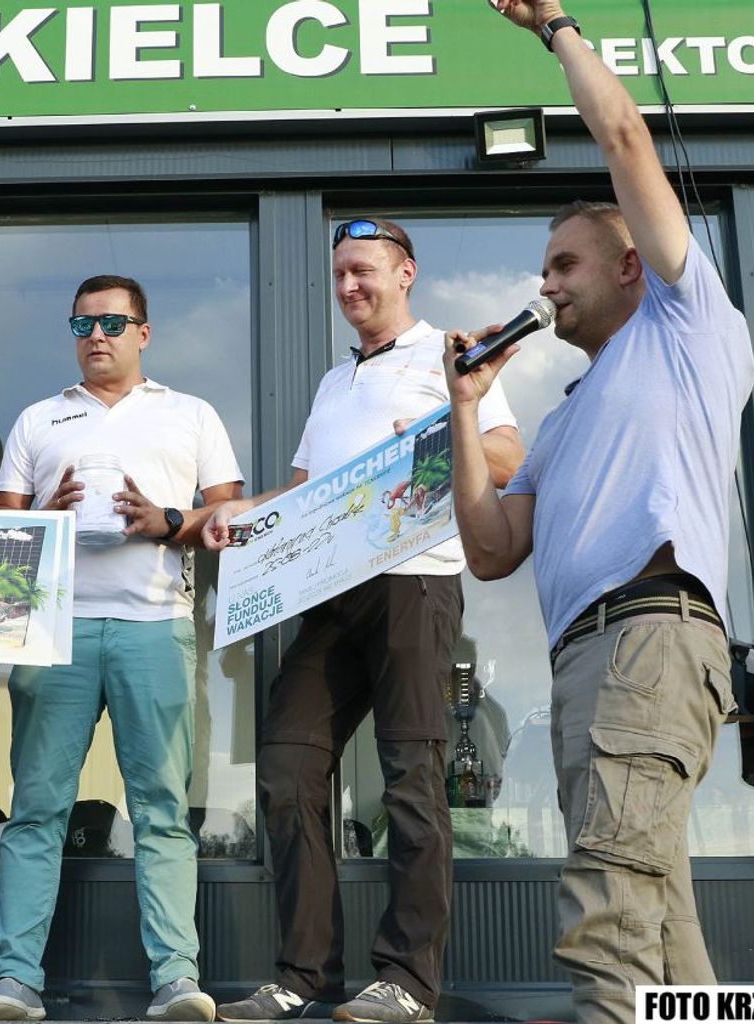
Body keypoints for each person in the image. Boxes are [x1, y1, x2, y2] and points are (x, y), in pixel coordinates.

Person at [445, 3, 754, 1021]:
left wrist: (556, 26)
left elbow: (624, 136)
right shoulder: (561, 418)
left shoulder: (687, 323)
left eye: (563, 265)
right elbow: (491, 549)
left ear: (631, 266)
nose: (546, 286)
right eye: (543, 271)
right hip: (584, 658)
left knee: (610, 899)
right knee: (655, 913)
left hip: (651, 631)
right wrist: (465, 407)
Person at [205, 219, 523, 1024]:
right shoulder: (331, 382)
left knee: (411, 776)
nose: (349, 286)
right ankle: (302, 977)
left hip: (415, 582)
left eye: (364, 271)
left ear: (405, 272)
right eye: (340, 273)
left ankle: (408, 982)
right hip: (328, 592)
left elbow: (510, 459)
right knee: (287, 767)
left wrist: (439, 437)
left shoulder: (449, 356)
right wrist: (242, 513)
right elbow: (303, 494)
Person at [0, 275, 243, 1023]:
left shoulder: (190, 413)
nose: (97, 335)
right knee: (36, 809)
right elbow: (1, 541)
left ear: (144, 333)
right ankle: (15, 981)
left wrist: (168, 521)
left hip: (154, 626)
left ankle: (176, 980)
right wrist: (44, 514)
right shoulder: (39, 418)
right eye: (83, 324)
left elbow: (232, 514)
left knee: (161, 809)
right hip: (53, 630)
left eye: (114, 323)